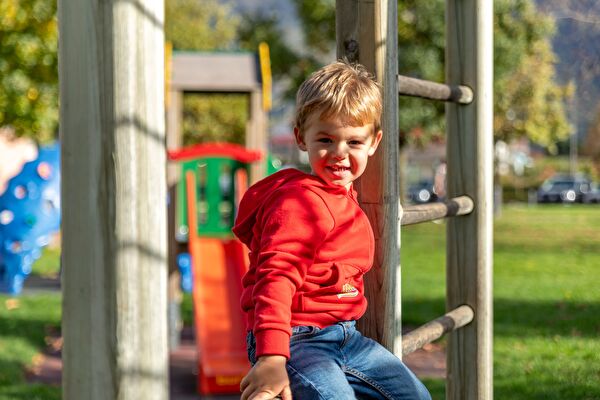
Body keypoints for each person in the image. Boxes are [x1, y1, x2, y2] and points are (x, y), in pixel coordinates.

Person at [233, 60, 431, 400]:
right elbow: (275, 279)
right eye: (325, 139)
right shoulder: (300, 204)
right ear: (301, 137)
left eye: (354, 142)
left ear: (374, 142)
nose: (339, 153)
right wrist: (272, 357)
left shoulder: (342, 194)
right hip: (296, 339)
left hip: (346, 337)